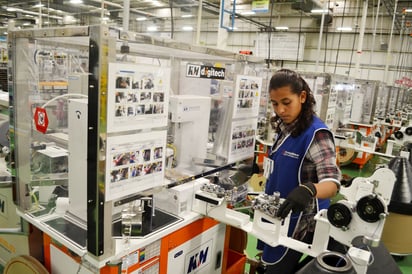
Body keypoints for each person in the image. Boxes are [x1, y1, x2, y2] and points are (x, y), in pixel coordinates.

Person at [257, 69, 341, 273]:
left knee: (277, 268)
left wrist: (309, 189)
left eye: (286, 102)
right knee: (268, 263)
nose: (280, 110)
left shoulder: (316, 134)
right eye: (275, 104)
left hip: (300, 223)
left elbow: (332, 183)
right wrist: (258, 166)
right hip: (277, 213)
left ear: (302, 97)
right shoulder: (287, 127)